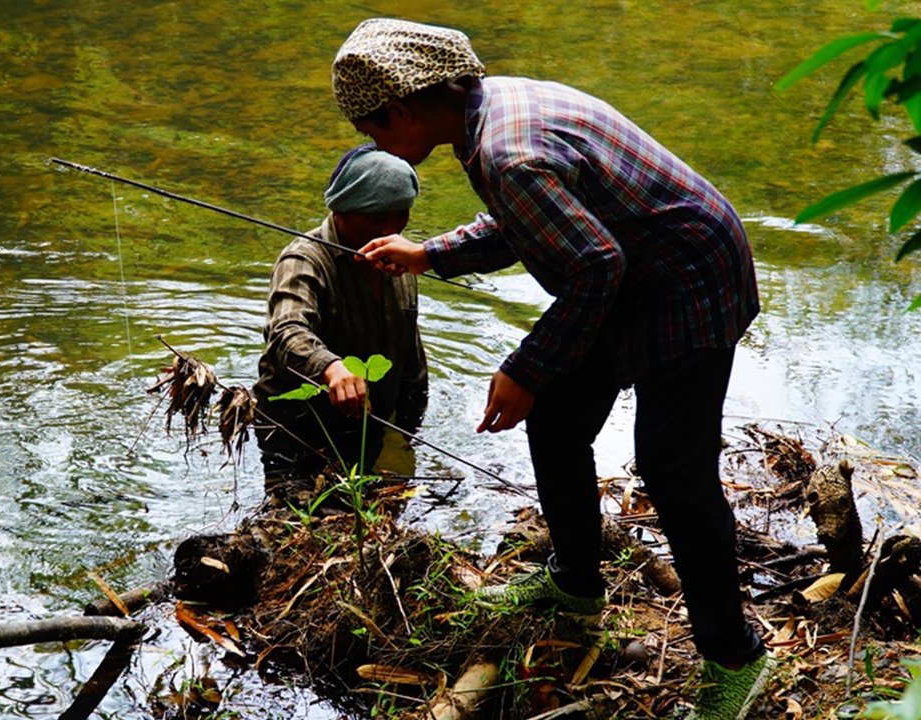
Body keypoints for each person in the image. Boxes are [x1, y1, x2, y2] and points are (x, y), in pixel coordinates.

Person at [332, 18, 771, 720]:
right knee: (559, 419)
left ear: (403, 110)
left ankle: (734, 658)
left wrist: (525, 366)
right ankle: (574, 582)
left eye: (373, 129)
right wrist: (430, 254)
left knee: (672, 470)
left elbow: (596, 265)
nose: (377, 144)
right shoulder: (494, 111)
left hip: (688, 280)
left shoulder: (505, 151)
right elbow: (538, 221)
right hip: (630, 274)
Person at [253, 144, 428, 504]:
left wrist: (409, 424)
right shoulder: (304, 260)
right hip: (298, 429)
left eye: (400, 216)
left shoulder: (400, 262)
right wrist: (331, 368)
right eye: (376, 219)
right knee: (299, 523)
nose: (390, 229)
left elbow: (410, 352)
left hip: (371, 427)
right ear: (341, 210)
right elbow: (286, 332)